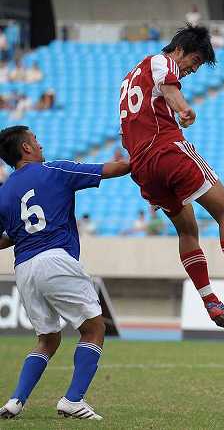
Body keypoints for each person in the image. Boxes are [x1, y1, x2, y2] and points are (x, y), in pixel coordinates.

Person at [118, 24, 224, 327]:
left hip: (142, 168)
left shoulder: (129, 80)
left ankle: (210, 301)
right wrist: (184, 109)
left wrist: (146, 172)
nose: (192, 70)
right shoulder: (160, 61)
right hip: (167, 151)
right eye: (194, 62)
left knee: (187, 232)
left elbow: (127, 132)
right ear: (179, 50)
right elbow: (170, 88)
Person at [0, 126, 130, 420]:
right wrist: (144, 159)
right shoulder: (54, 170)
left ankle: (16, 401)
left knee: (48, 339)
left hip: (24, 268)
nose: (40, 144)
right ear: (26, 148)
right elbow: (110, 169)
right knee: (94, 329)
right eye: (35, 140)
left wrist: (18, 234)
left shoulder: (3, 192)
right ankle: (73, 399)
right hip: (55, 259)